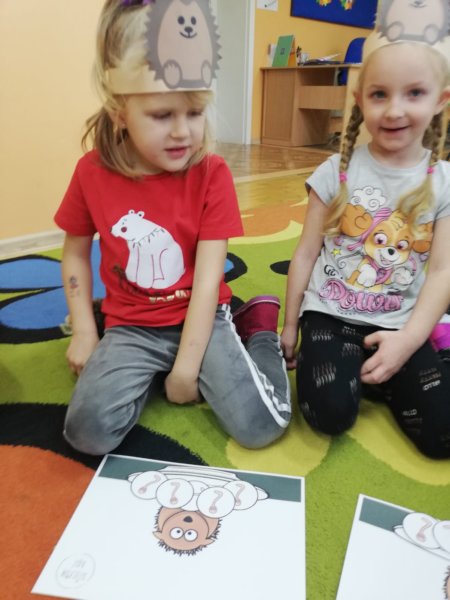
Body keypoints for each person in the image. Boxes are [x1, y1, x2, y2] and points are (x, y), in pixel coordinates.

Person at [56, 0, 291, 456]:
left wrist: (185, 367)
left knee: (261, 426)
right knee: (87, 433)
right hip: (131, 325)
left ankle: (258, 329)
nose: (184, 132)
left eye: (195, 112)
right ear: (119, 109)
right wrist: (85, 329)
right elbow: (74, 253)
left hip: (202, 315)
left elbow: (207, 280)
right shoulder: (91, 173)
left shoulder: (212, 173)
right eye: (163, 115)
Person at [281, 39, 450, 458]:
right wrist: (289, 325)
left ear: (440, 100)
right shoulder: (335, 171)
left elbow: (442, 272)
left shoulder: (444, 182)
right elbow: (305, 253)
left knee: (442, 436)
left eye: (414, 93)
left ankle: (396, 366)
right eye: (379, 94)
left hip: (400, 323)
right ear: (359, 101)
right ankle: (362, 372)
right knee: (329, 415)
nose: (394, 110)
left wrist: (409, 341)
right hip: (330, 314)